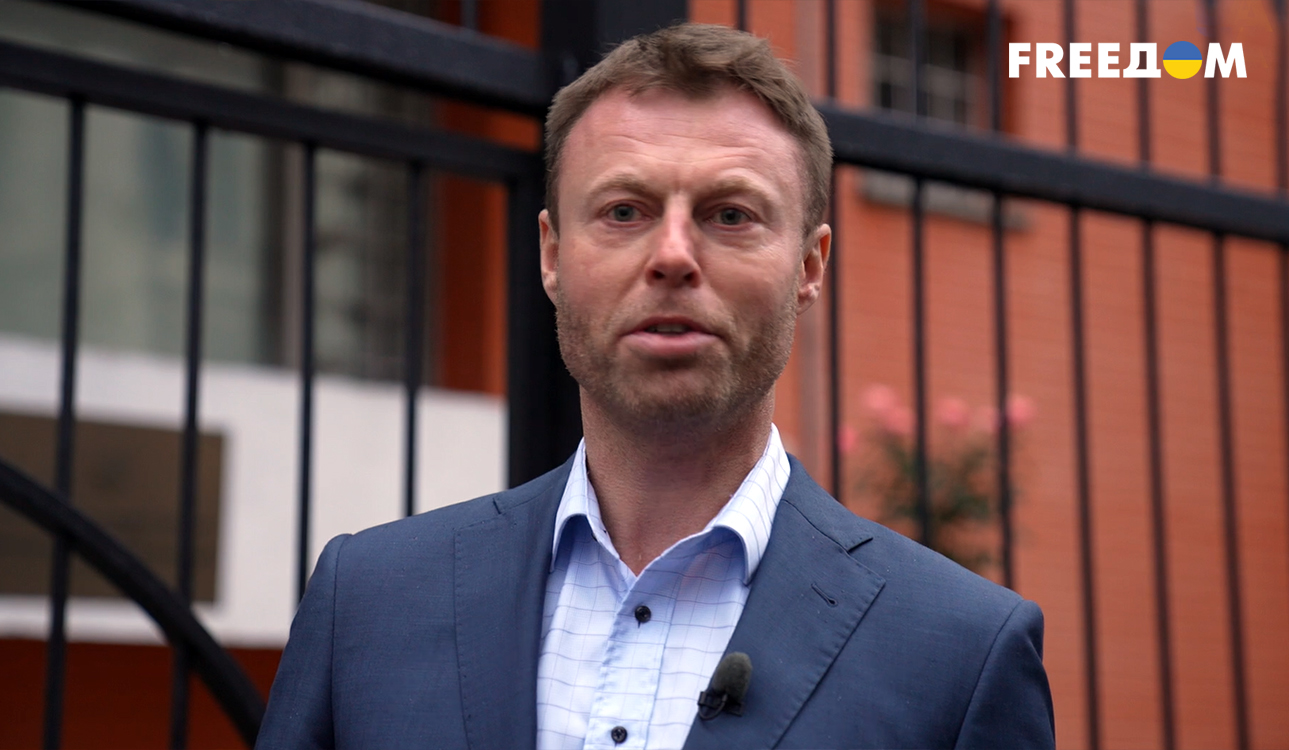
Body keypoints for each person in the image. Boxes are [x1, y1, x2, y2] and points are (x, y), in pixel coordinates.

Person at [256, 23, 1054, 750]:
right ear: (552, 255)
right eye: (624, 211)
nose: (672, 255)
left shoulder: (961, 655)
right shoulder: (368, 602)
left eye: (730, 215)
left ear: (809, 267)